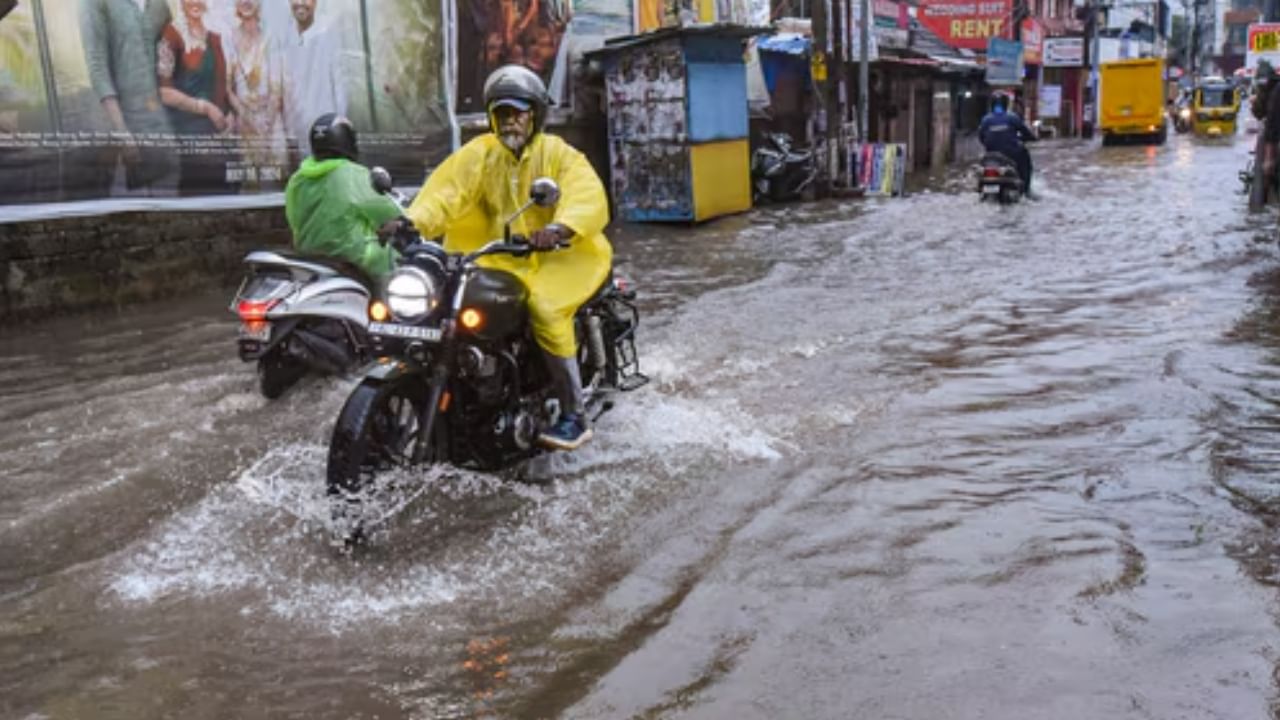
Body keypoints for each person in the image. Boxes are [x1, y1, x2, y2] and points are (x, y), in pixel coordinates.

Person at [406, 65, 612, 452]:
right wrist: (408, 223)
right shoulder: (482, 154)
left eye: (517, 112)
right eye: (501, 113)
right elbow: (445, 193)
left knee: (546, 308)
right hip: (502, 255)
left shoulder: (559, 154)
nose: (509, 121)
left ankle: (574, 415)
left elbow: (586, 194)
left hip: (567, 254)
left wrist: (561, 228)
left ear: (535, 114)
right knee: (446, 298)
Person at [284, 114, 402, 283]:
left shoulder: (297, 179)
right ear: (347, 141)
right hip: (356, 260)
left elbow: (293, 219)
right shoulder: (353, 174)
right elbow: (389, 213)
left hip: (310, 259)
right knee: (399, 259)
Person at [79, 0, 177, 191]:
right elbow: (97, 67)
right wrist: (122, 132)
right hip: (127, 136)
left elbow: (172, 56)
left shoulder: (158, 5)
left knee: (175, 206)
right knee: (133, 209)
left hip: (167, 129)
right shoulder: (94, 4)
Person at [227, 0, 288, 187]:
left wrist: (266, 123)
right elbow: (227, 87)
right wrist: (246, 117)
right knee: (250, 181)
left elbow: (277, 87)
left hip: (270, 118)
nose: (246, 2)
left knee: (280, 176)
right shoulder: (228, 39)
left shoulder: (270, 38)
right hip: (244, 119)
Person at [283, 0, 346, 158]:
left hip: (327, 130)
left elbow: (340, 85)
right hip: (299, 132)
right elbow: (286, 89)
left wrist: (340, 125)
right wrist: (290, 134)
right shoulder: (286, 36)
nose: (300, 3)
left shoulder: (327, 33)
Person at [978, 91, 1037, 197]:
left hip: (991, 155)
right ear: (1006, 104)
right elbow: (1026, 133)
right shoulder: (1012, 118)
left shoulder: (985, 119)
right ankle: (1026, 191)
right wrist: (1032, 138)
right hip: (1012, 154)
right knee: (1026, 161)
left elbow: (981, 137)